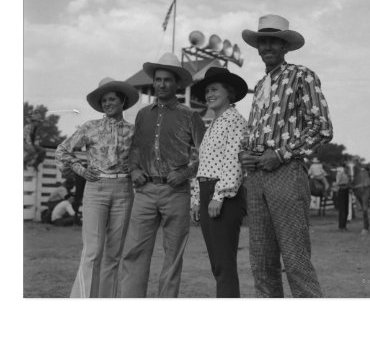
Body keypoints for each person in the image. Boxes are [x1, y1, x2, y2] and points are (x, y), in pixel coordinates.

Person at [239, 14, 333, 298]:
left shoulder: (302, 76)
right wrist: (246, 152)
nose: (267, 46)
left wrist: (280, 154)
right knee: (262, 263)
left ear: (285, 47)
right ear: (257, 47)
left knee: (295, 260)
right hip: (256, 177)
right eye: (262, 41)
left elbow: (322, 128)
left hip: (286, 173)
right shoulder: (259, 87)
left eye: (274, 41)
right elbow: (255, 130)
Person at [120, 53, 206, 298]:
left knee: (173, 253)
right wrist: (134, 169)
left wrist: (186, 172)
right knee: (134, 250)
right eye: (158, 79)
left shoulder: (190, 116)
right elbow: (135, 148)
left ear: (177, 83)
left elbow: (203, 153)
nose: (162, 84)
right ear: (154, 81)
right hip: (145, 191)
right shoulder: (142, 114)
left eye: (168, 80)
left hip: (176, 192)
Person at [56, 77, 139, 298]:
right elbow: (62, 150)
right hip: (96, 189)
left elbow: (143, 158)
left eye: (112, 99)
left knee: (113, 255)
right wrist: (81, 170)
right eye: (104, 100)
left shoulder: (134, 131)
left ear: (123, 101)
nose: (107, 103)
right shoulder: (90, 127)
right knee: (92, 252)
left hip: (124, 190)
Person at [190, 67, 248, 298]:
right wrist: (196, 199)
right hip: (207, 192)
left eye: (214, 89)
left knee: (224, 263)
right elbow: (203, 163)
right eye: (206, 91)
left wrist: (219, 195)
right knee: (216, 263)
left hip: (223, 196)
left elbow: (233, 160)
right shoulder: (213, 123)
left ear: (229, 93)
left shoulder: (235, 120)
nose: (208, 95)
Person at [336, 164, 350, 231]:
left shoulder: (348, 175)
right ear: (344, 168)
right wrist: (344, 183)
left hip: (346, 190)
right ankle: (341, 226)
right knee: (342, 210)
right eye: (347, 168)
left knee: (346, 209)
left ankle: (344, 225)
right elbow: (337, 182)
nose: (347, 169)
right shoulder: (340, 174)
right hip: (342, 190)